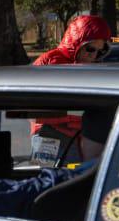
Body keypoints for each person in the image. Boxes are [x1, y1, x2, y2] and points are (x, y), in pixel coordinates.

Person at [30, 15, 113, 162]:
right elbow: (36, 106)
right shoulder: (51, 62)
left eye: (100, 51)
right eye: (90, 49)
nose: (94, 55)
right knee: (51, 175)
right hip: (49, 135)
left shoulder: (89, 67)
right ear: (77, 43)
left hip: (76, 135)